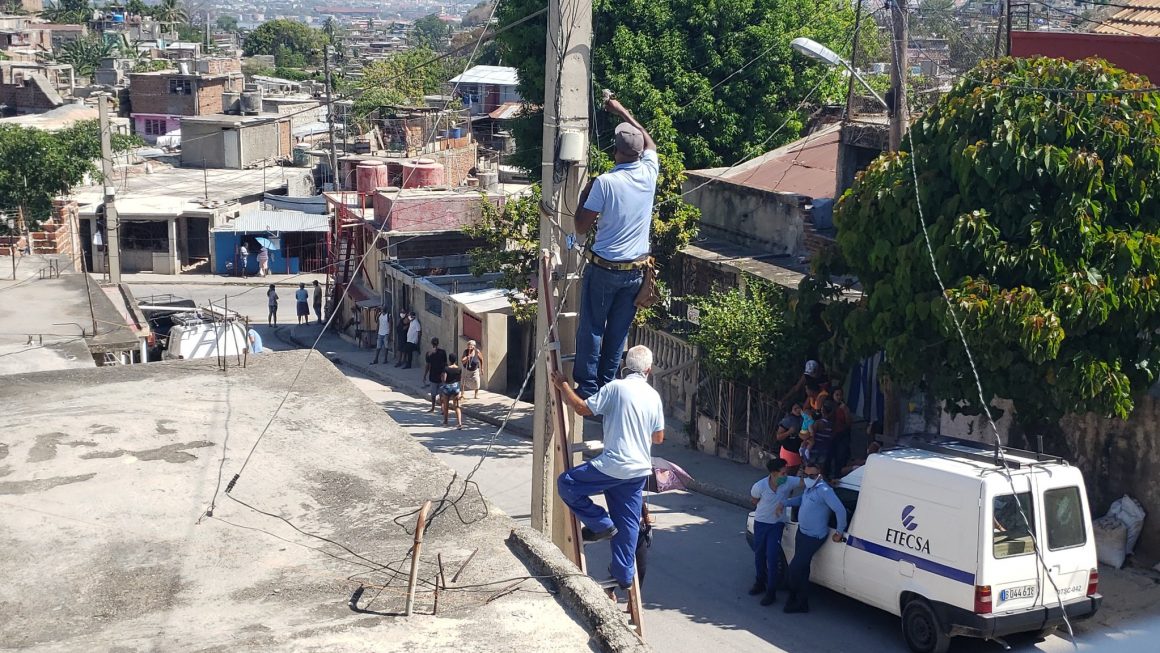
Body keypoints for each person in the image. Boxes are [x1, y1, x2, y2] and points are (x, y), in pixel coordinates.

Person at [552, 345, 664, 591]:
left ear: (626, 366)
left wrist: (563, 386)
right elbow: (658, 438)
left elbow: (582, 408)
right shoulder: (653, 396)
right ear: (648, 369)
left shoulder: (616, 388)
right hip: (638, 470)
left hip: (614, 464)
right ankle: (624, 576)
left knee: (567, 484)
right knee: (628, 523)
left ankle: (601, 524)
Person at [571, 95, 659, 399]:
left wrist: (584, 195)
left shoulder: (605, 183)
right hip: (637, 272)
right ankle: (607, 387)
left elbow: (581, 226)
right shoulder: (650, 173)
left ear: (614, 151)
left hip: (605, 268)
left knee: (593, 328)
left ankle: (587, 388)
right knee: (618, 333)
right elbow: (649, 143)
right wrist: (622, 109)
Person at [778, 462, 848, 613]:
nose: (809, 478)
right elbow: (801, 501)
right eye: (806, 475)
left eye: (812, 475)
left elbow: (840, 510)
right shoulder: (809, 488)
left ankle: (793, 597)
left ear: (819, 475)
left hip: (814, 537)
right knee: (803, 569)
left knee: (794, 569)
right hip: (802, 533)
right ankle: (802, 603)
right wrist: (785, 503)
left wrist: (839, 532)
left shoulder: (824, 490)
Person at [749, 458, 801, 606]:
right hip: (761, 523)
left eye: (786, 472)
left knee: (772, 556)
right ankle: (760, 582)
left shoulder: (788, 481)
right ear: (773, 473)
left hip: (776, 525)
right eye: (783, 473)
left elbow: (805, 483)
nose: (785, 475)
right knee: (759, 554)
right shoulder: (759, 486)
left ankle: (771, 591)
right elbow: (754, 500)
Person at [829, 387, 853, 479]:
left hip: (842, 435)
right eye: (837, 395)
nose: (839, 397)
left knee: (840, 457)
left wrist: (845, 411)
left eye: (840, 395)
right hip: (831, 435)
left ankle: (838, 476)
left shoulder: (845, 407)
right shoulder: (830, 405)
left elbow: (848, 423)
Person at [775, 403, 804, 473]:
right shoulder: (787, 420)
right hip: (788, 450)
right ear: (791, 409)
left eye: (799, 408)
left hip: (798, 451)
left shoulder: (803, 418)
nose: (798, 410)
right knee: (786, 473)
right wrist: (789, 432)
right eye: (795, 409)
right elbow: (778, 437)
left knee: (794, 473)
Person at [440, 352, 463, 429]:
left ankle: (445, 422)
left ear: (449, 360)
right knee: (457, 406)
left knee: (446, 406)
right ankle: (459, 423)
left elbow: (445, 379)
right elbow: (459, 379)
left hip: (447, 387)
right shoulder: (459, 369)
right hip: (455, 387)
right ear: (456, 360)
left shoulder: (446, 368)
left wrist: (443, 381)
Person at [424, 337, 447, 413]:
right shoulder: (443, 352)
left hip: (433, 375)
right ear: (438, 343)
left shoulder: (429, 353)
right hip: (441, 375)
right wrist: (445, 374)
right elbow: (445, 364)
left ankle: (433, 408)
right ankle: (442, 408)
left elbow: (428, 365)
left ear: (431, 343)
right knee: (441, 394)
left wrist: (424, 375)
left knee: (433, 394)